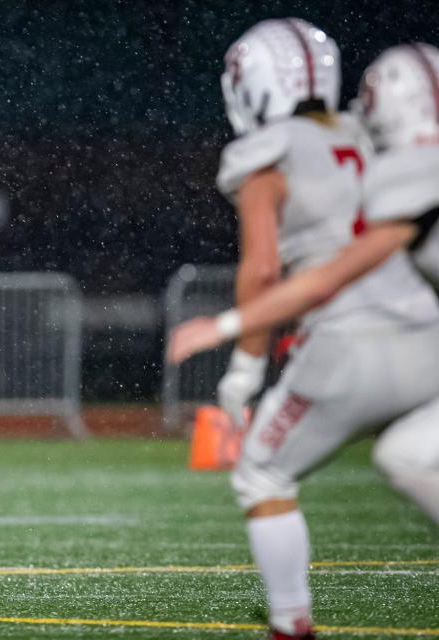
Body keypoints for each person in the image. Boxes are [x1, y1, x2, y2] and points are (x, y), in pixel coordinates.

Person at [196, 22, 439, 640]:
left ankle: (289, 622)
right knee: (408, 455)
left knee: (261, 474)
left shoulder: (266, 152)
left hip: (348, 338)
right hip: (425, 328)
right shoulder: (366, 133)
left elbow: (263, 268)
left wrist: (245, 367)